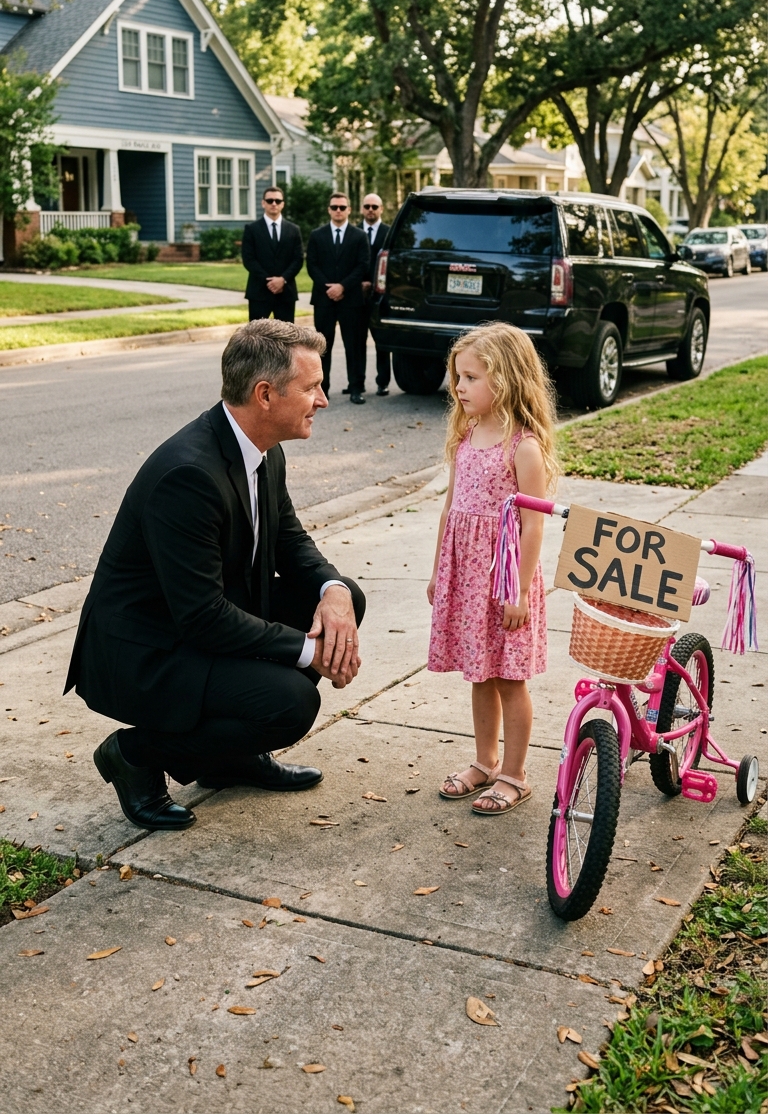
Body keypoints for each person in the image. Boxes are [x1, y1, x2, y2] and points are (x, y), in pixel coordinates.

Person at [64, 320, 365, 832]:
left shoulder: (262, 448)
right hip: (148, 651)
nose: (323, 400)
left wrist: (334, 591)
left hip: (202, 624)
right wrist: (313, 652)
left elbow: (290, 542)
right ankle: (134, 754)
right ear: (264, 394)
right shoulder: (189, 474)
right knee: (290, 704)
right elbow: (203, 616)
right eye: (312, 387)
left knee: (344, 601)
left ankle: (228, 758)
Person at [426, 322, 557, 815]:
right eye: (457, 377)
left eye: (470, 377)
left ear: (504, 380)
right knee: (479, 675)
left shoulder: (522, 446)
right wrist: (440, 570)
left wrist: (519, 591)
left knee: (508, 678)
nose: (458, 387)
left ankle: (515, 775)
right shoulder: (466, 434)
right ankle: (485, 760)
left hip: (504, 581)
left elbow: (534, 526)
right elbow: (450, 508)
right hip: (466, 576)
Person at [306, 192, 370, 404]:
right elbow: (312, 265)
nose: (338, 211)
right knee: (322, 347)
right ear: (329, 210)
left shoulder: (359, 236)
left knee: (354, 346)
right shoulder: (317, 235)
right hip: (324, 299)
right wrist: (329, 287)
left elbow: (363, 265)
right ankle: (321, 389)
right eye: (334, 207)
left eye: (342, 207)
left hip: (350, 299)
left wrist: (342, 286)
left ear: (349, 210)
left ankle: (356, 387)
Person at [241, 187, 304, 323]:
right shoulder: (251, 229)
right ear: (263, 203)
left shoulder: (294, 230)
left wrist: (282, 280)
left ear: (283, 204)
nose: (274, 203)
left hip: (286, 292)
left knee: (286, 339)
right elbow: (248, 259)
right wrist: (269, 281)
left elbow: (298, 259)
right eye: (270, 200)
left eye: (277, 200)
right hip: (259, 292)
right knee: (256, 339)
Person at [357, 192, 391, 397]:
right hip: (357, 294)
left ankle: (382, 382)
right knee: (357, 341)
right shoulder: (353, 232)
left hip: (380, 296)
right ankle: (357, 382)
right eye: (367, 206)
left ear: (381, 209)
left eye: (374, 206)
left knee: (381, 342)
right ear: (362, 208)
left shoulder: (389, 232)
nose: (370, 210)